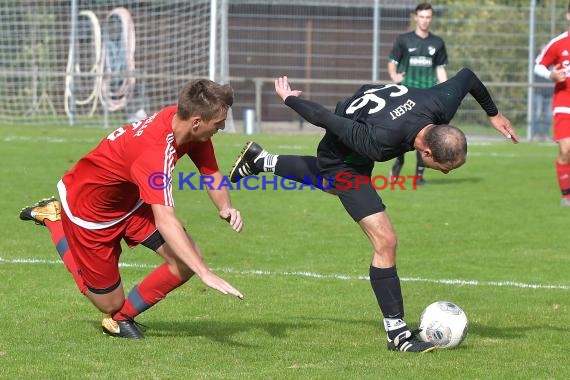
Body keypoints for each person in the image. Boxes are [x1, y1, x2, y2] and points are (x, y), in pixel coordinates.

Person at [229, 68, 518, 353]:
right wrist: (289, 99)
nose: (444, 174)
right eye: (443, 169)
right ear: (427, 153)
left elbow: (467, 77)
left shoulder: (439, 105)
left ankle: (261, 160)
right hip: (343, 150)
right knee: (385, 240)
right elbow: (325, 119)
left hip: (370, 111)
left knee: (331, 185)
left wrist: (494, 114)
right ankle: (398, 335)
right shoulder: (378, 143)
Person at [19, 79, 244, 339]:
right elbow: (165, 221)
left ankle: (120, 319)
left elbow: (210, 171)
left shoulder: (185, 122)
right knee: (108, 302)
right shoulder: (154, 153)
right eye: (219, 123)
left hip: (131, 203)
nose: (223, 127)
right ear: (196, 122)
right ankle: (55, 220)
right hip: (89, 213)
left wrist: (225, 207)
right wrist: (205, 273)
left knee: (187, 258)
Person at [387, 2, 449, 185]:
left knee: (427, 135)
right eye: (421, 17)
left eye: (428, 17)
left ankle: (419, 176)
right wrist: (394, 76)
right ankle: (399, 160)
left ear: (431, 18)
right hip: (407, 93)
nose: (424, 21)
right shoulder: (403, 39)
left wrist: (445, 90)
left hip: (428, 94)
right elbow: (392, 62)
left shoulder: (437, 43)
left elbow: (440, 69)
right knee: (402, 132)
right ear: (416, 17)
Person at [534, 2, 570, 206]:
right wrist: (551, 74)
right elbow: (538, 66)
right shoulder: (558, 43)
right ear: (568, 16)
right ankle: (566, 195)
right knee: (566, 149)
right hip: (564, 102)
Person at [531, 73, 552, 141]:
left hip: (550, 92)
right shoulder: (538, 64)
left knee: (548, 115)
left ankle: (546, 134)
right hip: (539, 92)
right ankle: (536, 134)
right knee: (537, 113)